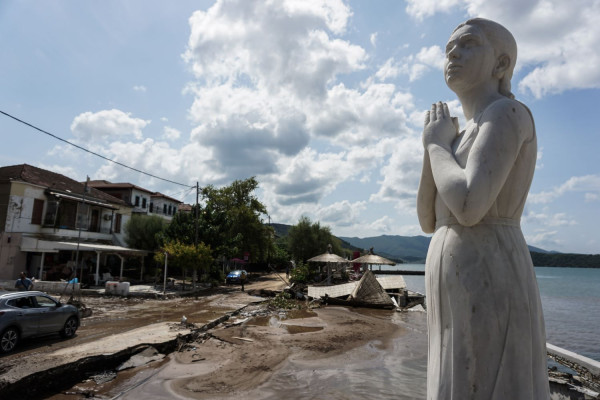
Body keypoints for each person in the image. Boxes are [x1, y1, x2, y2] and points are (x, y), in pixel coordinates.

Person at [417, 18, 550, 399]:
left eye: (468, 43)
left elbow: (470, 205)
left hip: (488, 269)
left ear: (501, 64)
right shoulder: (457, 134)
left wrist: (437, 147)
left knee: (487, 379)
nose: (453, 53)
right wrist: (435, 145)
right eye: (447, 49)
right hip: (458, 282)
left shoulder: (506, 114)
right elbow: (428, 219)